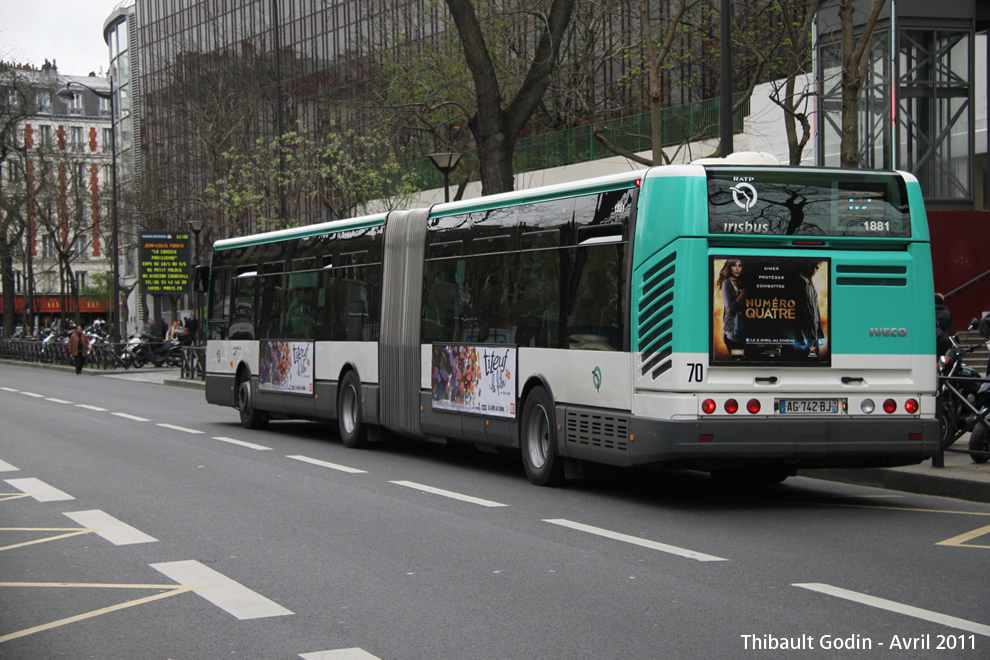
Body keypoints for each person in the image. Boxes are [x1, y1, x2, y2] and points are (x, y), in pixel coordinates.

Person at [716, 259, 746, 357]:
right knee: (738, 359)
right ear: (729, 267)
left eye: (740, 266)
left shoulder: (742, 282)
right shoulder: (727, 283)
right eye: (734, 265)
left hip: (744, 330)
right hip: (731, 333)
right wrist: (742, 295)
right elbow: (730, 309)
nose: (737, 269)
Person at [935, 293, 953, 357]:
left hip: (933, 340)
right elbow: (949, 329)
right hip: (945, 340)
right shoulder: (947, 312)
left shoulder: (929, 313)